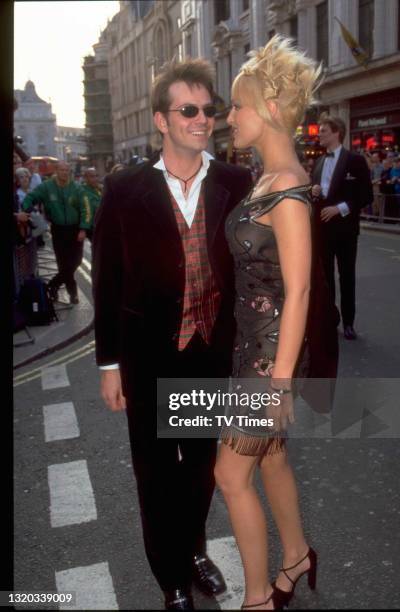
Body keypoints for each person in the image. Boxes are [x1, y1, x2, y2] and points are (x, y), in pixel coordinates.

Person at [92, 58, 253, 610]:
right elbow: (108, 281)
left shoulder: (236, 181)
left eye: (208, 110)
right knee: (157, 475)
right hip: (149, 356)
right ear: (161, 120)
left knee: (203, 470)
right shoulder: (123, 188)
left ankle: (190, 550)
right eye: (189, 110)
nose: (202, 119)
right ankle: (171, 580)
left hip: (210, 353)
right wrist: (108, 364)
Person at [214, 34, 324, 611]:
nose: (228, 116)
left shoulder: (286, 189)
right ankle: (298, 553)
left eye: (237, 105)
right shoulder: (263, 180)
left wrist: (279, 383)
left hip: (268, 359)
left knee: (230, 477)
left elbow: (301, 288)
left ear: (271, 110)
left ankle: (256, 600)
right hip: (249, 347)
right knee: (271, 456)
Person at [311, 117, 373, 340]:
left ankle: (348, 323)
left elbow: (366, 195)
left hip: (346, 230)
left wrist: (340, 208)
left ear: (337, 133)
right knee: (325, 279)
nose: (319, 135)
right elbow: (313, 192)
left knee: (347, 277)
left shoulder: (355, 160)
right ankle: (330, 320)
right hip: (323, 230)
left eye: (324, 131)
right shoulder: (318, 162)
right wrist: (313, 191)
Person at [22, 161, 91, 304]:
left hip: (75, 229)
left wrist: (83, 228)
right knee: (63, 263)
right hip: (58, 230)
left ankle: (53, 285)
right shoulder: (47, 187)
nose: (64, 173)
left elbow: (86, 209)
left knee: (76, 262)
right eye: (61, 170)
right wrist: (26, 208)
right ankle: (73, 294)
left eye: (67, 170)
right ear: (56, 171)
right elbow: (31, 196)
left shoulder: (77, 188)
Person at [81, 167, 102, 242]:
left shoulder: (99, 190)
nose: (95, 179)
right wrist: (83, 229)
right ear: (85, 178)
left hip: (102, 225)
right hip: (93, 228)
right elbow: (86, 211)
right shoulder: (83, 192)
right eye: (92, 176)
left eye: (96, 176)